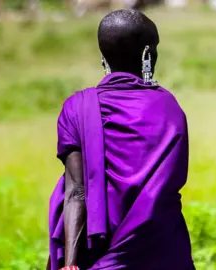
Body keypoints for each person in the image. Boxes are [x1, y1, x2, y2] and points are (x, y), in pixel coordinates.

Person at [48, 9, 194, 270]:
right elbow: (169, 184)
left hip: (97, 251)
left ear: (103, 55)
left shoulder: (77, 108)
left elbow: (75, 191)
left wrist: (69, 264)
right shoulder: (167, 106)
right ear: (148, 55)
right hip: (161, 248)